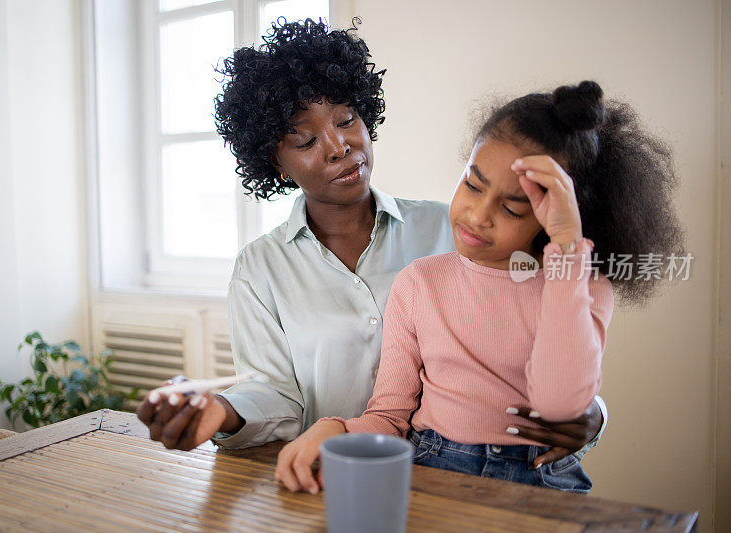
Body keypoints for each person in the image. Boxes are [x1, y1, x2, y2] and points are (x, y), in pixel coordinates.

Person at [136, 19, 606, 466]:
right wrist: (220, 411)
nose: (339, 146)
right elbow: (271, 392)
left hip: (453, 475)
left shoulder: (460, 231)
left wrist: (589, 413)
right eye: (304, 141)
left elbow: (551, 322)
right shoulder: (260, 269)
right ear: (275, 162)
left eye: (346, 119)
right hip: (331, 476)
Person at [274, 80, 684, 494]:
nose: (478, 215)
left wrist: (567, 248)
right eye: (472, 184)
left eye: (510, 208)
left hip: (541, 481)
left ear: (553, 217)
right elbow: (389, 417)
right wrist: (333, 430)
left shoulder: (582, 285)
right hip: (432, 468)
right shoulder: (419, 283)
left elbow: (559, 405)